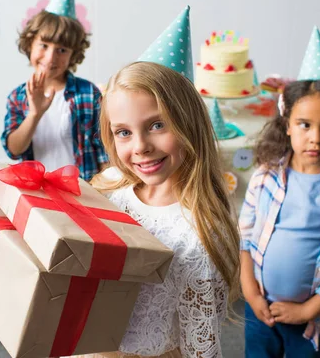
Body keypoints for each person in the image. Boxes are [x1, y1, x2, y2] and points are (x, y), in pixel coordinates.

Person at [83, 26, 240, 355]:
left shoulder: (199, 234)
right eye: (124, 132)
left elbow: (200, 344)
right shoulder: (110, 187)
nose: (140, 147)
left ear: (188, 123)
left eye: (157, 125)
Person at [239, 79, 320, 357]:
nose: (316, 138)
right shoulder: (265, 177)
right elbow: (246, 236)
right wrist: (250, 291)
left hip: (314, 317)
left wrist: (307, 310)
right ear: (287, 125)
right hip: (260, 307)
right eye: (305, 124)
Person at [1, 0, 107, 180]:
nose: (51, 57)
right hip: (40, 193)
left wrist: (109, 195)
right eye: (44, 45)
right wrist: (34, 114)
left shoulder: (88, 94)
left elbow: (104, 148)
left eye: (62, 50)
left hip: (83, 190)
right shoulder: (17, 97)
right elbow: (14, 150)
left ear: (73, 54)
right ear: (30, 44)